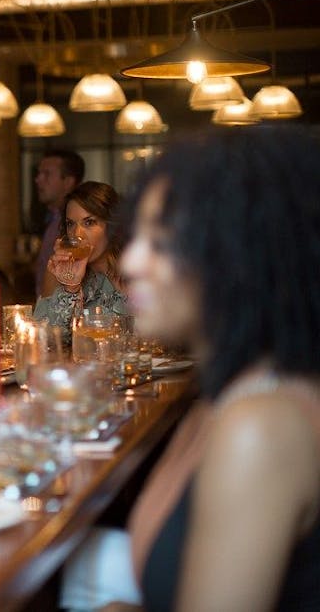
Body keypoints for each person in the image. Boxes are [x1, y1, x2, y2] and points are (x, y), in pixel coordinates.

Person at [115, 125, 320, 612]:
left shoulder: (262, 425)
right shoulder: (225, 396)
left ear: (240, 254)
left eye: (163, 243)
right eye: (137, 236)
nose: (130, 260)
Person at [34, 181, 127, 343]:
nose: (77, 234)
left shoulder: (140, 269)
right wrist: (70, 287)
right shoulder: (59, 271)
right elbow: (43, 341)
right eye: (70, 224)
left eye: (89, 222)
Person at [34, 149, 84, 297]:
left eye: (47, 174)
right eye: (39, 173)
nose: (38, 180)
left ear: (68, 182)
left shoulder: (75, 228)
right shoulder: (53, 218)